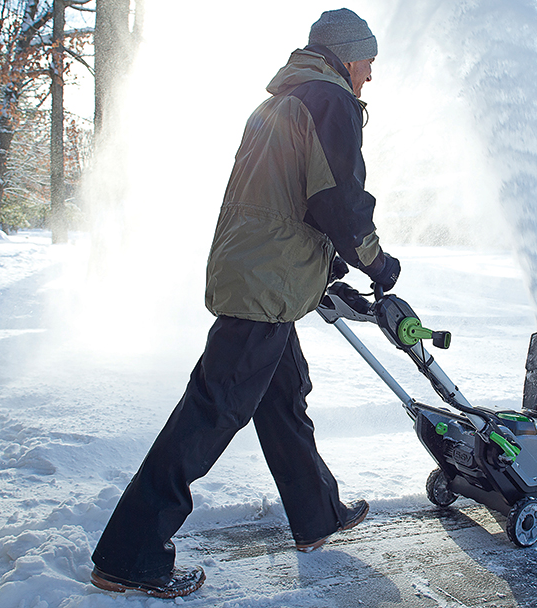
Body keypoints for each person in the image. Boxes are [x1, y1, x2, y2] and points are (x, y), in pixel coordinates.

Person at [89, 8, 399, 599]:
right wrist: (375, 263)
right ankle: (129, 555)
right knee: (208, 415)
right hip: (264, 286)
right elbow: (339, 201)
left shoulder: (281, 103)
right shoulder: (328, 101)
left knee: (283, 397)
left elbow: (288, 199)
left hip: (259, 274)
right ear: (345, 55)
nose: (369, 76)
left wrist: (325, 265)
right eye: (368, 62)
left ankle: (317, 515)